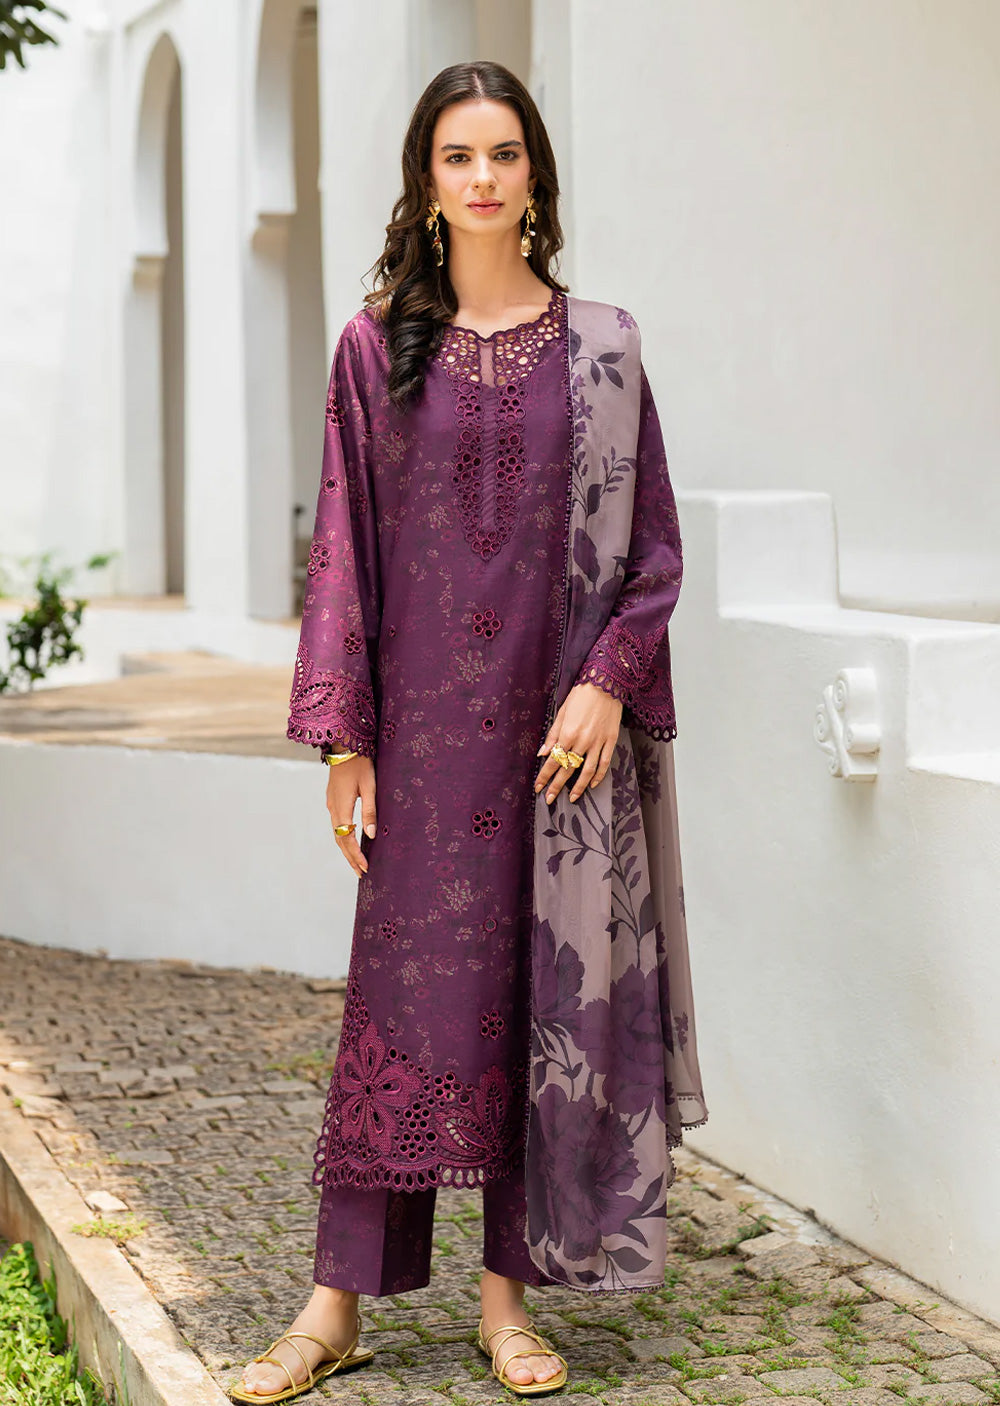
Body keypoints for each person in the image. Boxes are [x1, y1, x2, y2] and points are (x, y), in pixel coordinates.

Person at [230, 59, 708, 1405]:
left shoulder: (603, 348)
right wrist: (346, 739)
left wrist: (607, 683)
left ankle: (508, 1305)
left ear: (535, 174)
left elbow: (656, 549)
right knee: (396, 1011)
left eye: (504, 154)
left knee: (534, 1004)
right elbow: (345, 551)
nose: (484, 177)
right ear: (426, 181)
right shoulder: (375, 347)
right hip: (428, 744)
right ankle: (334, 1306)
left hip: (555, 744)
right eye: (458, 156)